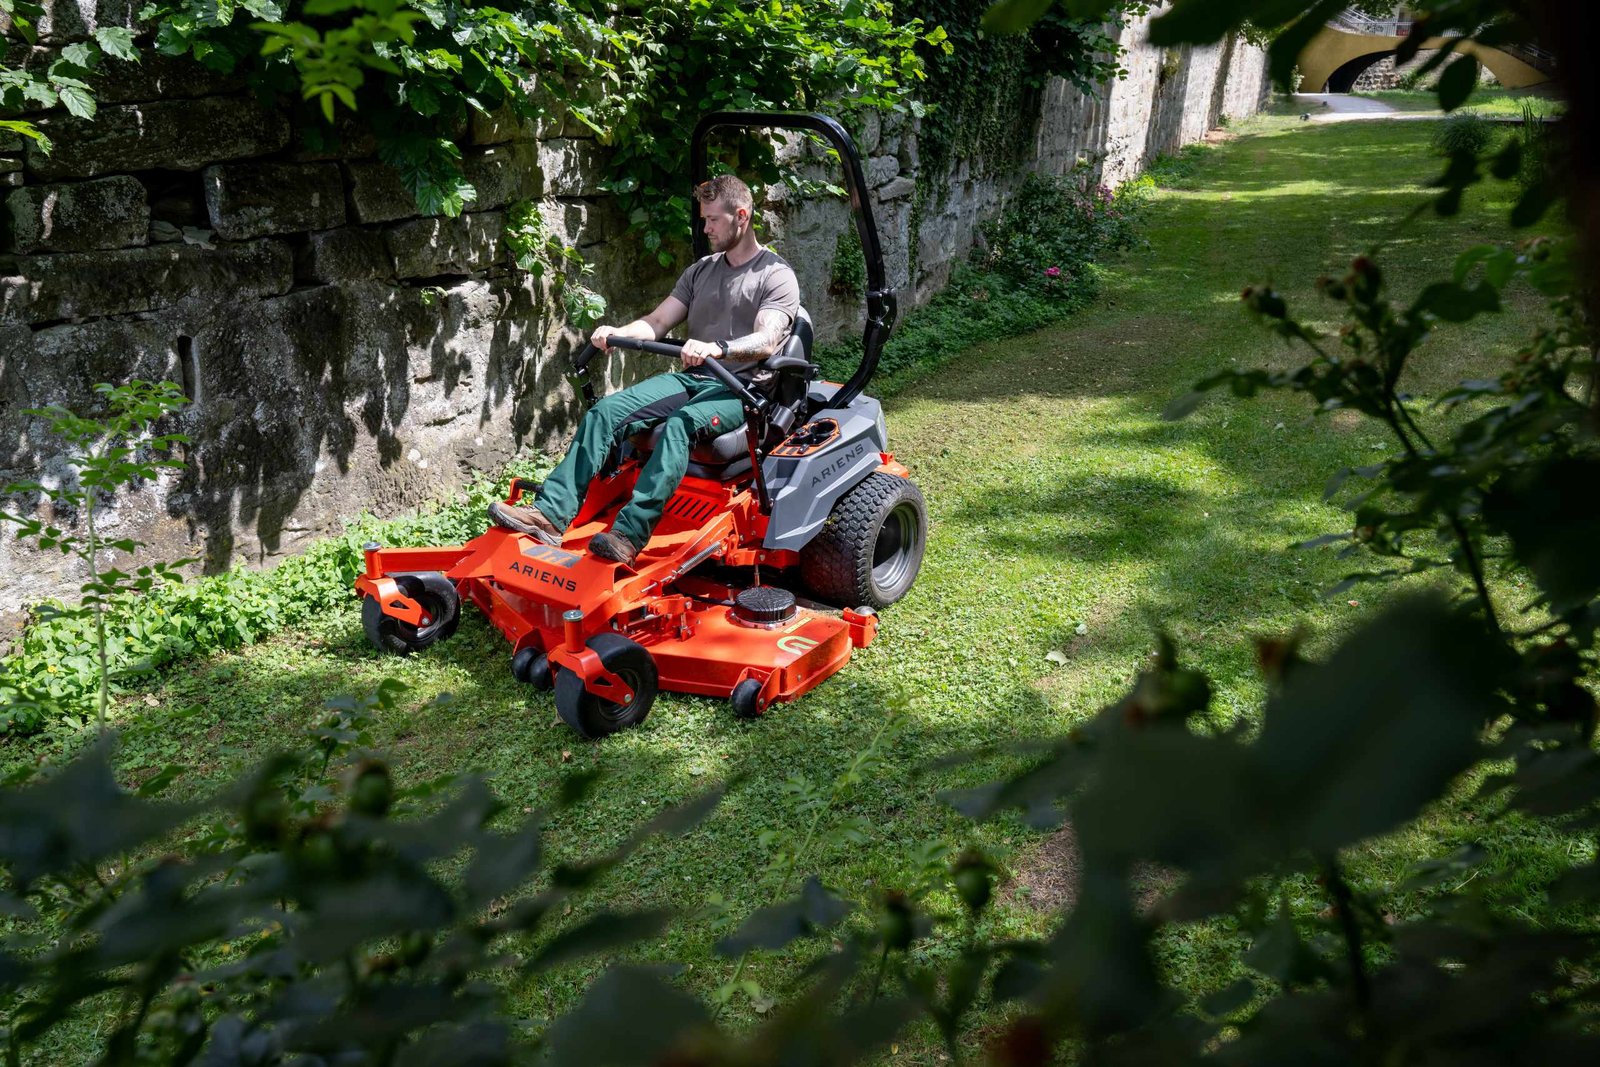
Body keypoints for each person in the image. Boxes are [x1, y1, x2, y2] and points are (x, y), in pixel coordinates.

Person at [489, 174, 801, 566]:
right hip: (694, 379)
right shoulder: (701, 270)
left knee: (680, 426)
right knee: (607, 413)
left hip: (740, 390)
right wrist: (618, 333)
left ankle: (628, 534)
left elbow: (767, 340)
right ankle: (550, 516)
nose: (705, 228)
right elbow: (656, 322)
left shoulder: (775, 275)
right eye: (703, 219)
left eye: (713, 220)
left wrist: (717, 348)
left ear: (742, 215)